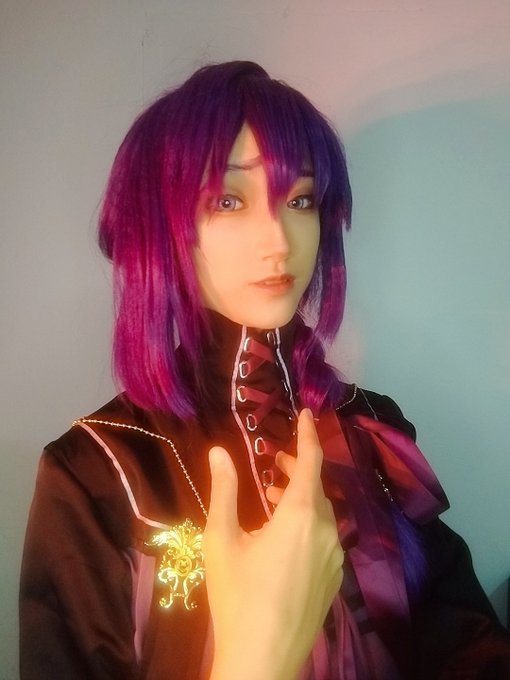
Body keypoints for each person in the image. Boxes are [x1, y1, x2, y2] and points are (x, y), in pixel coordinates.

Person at [19, 61, 510, 679]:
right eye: (229, 201)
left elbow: (470, 645)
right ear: (162, 229)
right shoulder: (96, 471)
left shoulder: (373, 425)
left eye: (300, 200)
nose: (279, 241)